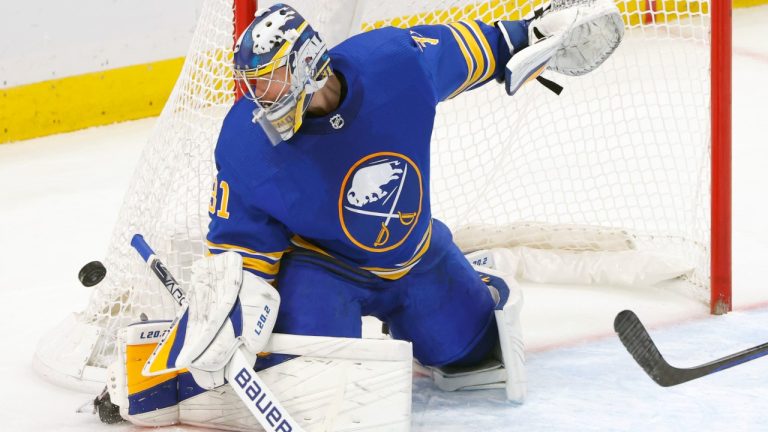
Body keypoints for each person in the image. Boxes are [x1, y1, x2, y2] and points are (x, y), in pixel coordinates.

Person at [104, 1, 624, 429]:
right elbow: (243, 259)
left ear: (309, 61)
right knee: (321, 385)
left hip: (415, 254)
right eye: (254, 88)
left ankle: (473, 285)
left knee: (475, 358)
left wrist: (531, 33)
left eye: (270, 83)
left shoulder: (396, 63)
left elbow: (483, 49)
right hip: (322, 271)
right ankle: (166, 370)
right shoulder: (246, 143)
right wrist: (230, 319)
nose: (262, 102)